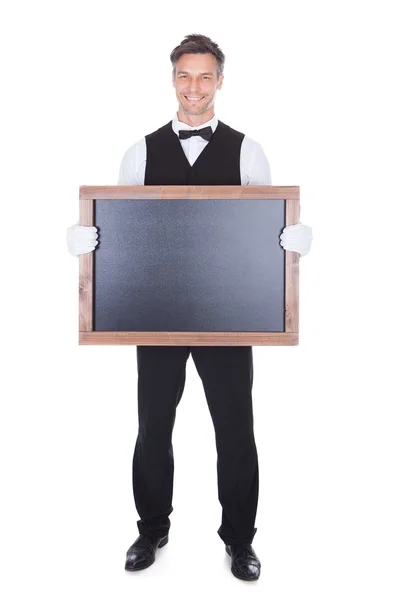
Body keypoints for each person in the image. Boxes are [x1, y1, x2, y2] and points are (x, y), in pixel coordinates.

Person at [66, 34, 313, 582]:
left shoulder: (249, 151)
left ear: (220, 81)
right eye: (185, 76)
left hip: (229, 319)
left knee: (235, 429)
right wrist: (88, 242)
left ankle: (240, 540)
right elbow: (121, 231)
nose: (194, 87)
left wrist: (291, 243)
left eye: (205, 76)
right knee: (153, 427)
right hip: (155, 320)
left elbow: (262, 234)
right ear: (172, 79)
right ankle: (151, 528)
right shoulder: (139, 151)